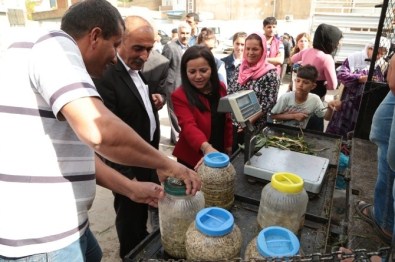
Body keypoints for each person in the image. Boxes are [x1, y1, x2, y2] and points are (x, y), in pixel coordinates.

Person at [0, 1, 201, 260]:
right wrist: (168, 164)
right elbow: (100, 132)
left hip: (70, 228)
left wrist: (130, 188)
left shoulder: (45, 57)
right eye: (116, 44)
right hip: (42, 239)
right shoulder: (54, 47)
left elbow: (81, 157)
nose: (115, 56)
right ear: (94, 36)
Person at [93, 16, 166, 258]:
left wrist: (154, 102)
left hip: (146, 161)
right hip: (128, 169)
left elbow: (134, 107)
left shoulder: (136, 70)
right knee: (130, 220)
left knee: (141, 217)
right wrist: (127, 180)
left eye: (149, 49)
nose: (145, 56)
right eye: (138, 48)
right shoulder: (107, 76)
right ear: (120, 41)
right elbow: (106, 137)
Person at [171, 45, 233, 169]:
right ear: (185, 72)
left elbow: (227, 118)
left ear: (212, 69)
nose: (198, 76)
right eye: (192, 72)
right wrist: (206, 148)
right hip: (194, 154)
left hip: (218, 148)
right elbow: (188, 126)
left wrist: (229, 144)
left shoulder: (220, 88)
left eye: (203, 70)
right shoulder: (179, 95)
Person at [326, 37, 390, 139]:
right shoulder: (354, 58)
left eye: (382, 54)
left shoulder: (383, 65)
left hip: (365, 108)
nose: (379, 56)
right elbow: (341, 74)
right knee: (338, 133)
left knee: (356, 135)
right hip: (347, 104)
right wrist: (359, 78)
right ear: (369, 48)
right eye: (376, 52)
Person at [228, 32, 280, 151]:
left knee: (251, 156)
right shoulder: (239, 69)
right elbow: (230, 92)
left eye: (255, 49)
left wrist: (247, 122)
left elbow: (269, 103)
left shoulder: (270, 74)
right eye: (248, 48)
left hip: (254, 126)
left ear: (263, 50)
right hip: (235, 124)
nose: (250, 53)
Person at [291, 23, 343, 131]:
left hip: (300, 92)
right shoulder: (326, 58)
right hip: (317, 94)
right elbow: (333, 85)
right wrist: (326, 84)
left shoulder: (306, 51)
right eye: (337, 41)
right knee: (313, 126)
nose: (338, 44)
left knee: (298, 124)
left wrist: (304, 64)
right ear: (330, 41)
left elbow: (292, 59)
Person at [270, 65, 341, 128]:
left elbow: (326, 117)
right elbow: (272, 116)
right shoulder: (286, 97)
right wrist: (294, 116)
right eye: (298, 81)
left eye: (305, 82)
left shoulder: (315, 99)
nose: (300, 85)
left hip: (300, 135)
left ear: (313, 86)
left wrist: (330, 108)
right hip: (281, 132)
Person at [162, 22, 191, 145]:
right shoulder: (170, 47)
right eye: (182, 33)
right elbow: (163, 67)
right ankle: (178, 140)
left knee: (182, 113)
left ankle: (176, 138)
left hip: (185, 87)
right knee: (174, 113)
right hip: (172, 86)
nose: (185, 36)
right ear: (178, 33)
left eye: (187, 33)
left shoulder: (190, 47)